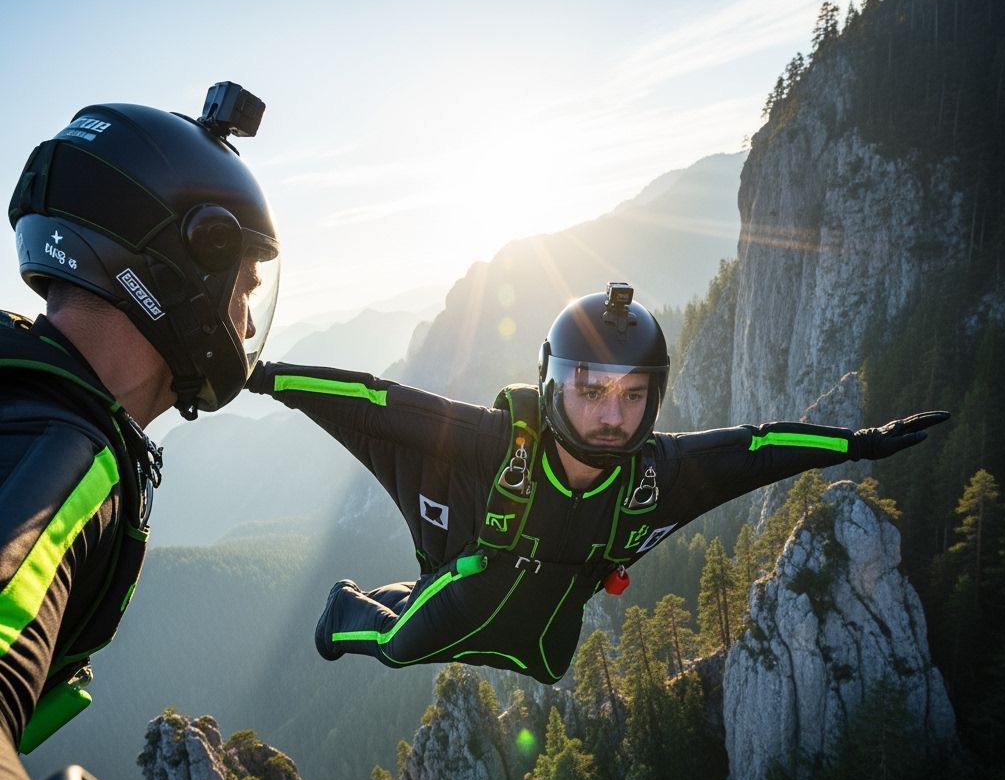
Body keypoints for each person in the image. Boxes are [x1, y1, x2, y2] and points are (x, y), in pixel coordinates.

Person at [248, 282, 947, 684]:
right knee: (400, 646)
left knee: (550, 666)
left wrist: (858, 445)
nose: (612, 417)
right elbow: (374, 402)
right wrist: (260, 375)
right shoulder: (490, 447)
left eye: (633, 397)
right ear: (555, 384)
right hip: (462, 593)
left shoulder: (659, 478)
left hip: (547, 629)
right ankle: (348, 609)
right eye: (590, 390)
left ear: (655, 399)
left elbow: (758, 449)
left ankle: (414, 606)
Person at [0, 83, 280, 780]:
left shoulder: (19, 394)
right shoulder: (67, 456)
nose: (243, 323)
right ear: (181, 262)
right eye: (240, 287)